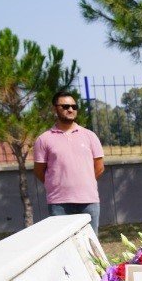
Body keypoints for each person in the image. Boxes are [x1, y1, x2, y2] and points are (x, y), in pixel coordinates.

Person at [33, 91, 105, 233]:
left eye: (74, 106)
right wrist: (57, 184)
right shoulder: (44, 139)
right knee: (63, 248)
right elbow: (39, 171)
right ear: (55, 109)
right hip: (59, 203)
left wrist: (83, 181)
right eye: (65, 106)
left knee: (90, 248)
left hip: (88, 201)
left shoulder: (90, 136)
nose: (70, 109)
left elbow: (99, 167)